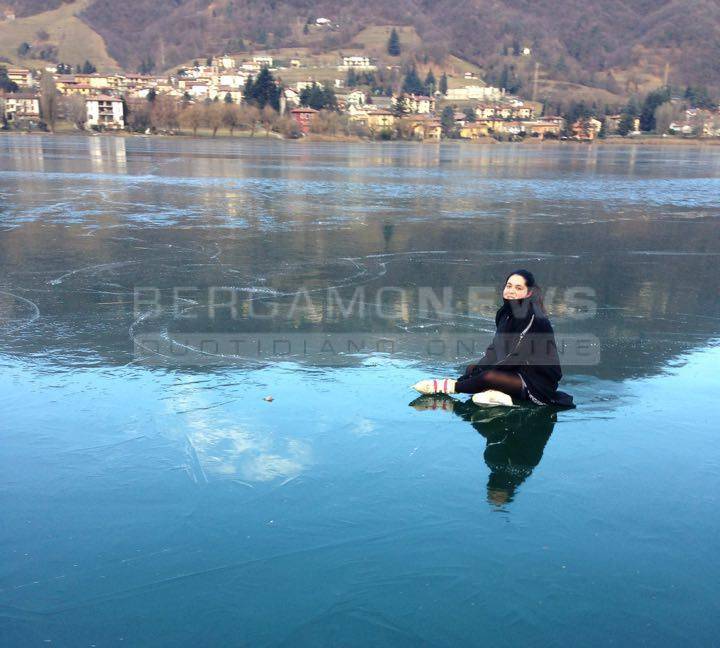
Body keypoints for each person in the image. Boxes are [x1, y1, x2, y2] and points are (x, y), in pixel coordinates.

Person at [413, 269, 574, 407]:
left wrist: (462, 384)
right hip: (517, 370)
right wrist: (473, 373)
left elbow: (514, 356)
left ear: (529, 292)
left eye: (518, 287)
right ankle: (498, 392)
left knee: (488, 376)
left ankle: (444, 387)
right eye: (509, 286)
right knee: (472, 369)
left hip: (537, 380)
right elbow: (496, 349)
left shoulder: (534, 318)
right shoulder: (505, 313)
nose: (511, 291)